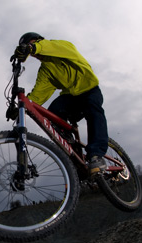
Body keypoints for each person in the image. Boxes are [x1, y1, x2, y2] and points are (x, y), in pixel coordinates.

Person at [14, 32, 109, 173]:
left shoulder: (61, 46)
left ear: (39, 41)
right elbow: (39, 94)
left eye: (32, 44)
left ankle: (96, 155)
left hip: (89, 90)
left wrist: (32, 48)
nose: (34, 52)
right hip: (70, 97)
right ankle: (71, 150)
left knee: (93, 109)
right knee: (52, 114)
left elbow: (47, 46)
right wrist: (21, 107)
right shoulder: (45, 70)